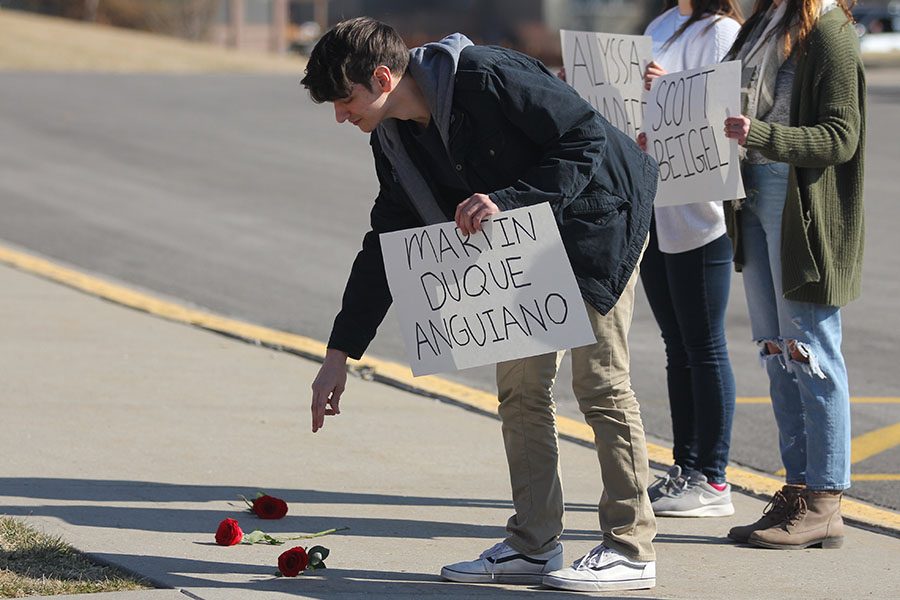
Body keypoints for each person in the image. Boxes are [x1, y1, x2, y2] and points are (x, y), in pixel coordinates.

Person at [301, 17, 660, 592]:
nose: (341, 115)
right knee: (520, 388)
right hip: (523, 246)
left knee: (600, 383)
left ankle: (630, 547)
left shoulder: (487, 75)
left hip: (598, 219)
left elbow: (586, 137)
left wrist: (510, 201)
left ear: (384, 77)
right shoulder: (394, 139)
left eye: (345, 99)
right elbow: (387, 242)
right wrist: (339, 353)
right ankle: (533, 545)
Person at [722, 0, 865, 549]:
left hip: (797, 206)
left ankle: (825, 500)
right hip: (756, 195)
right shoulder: (765, 24)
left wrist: (762, 136)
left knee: (812, 352)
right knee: (778, 351)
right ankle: (798, 490)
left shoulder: (829, 31)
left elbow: (839, 136)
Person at [636, 0, 744, 518]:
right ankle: (686, 467)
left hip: (701, 211)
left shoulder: (723, 31)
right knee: (676, 345)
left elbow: (725, 110)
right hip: (657, 208)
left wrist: (666, 89)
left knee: (704, 345)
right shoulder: (661, 24)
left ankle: (715, 481)